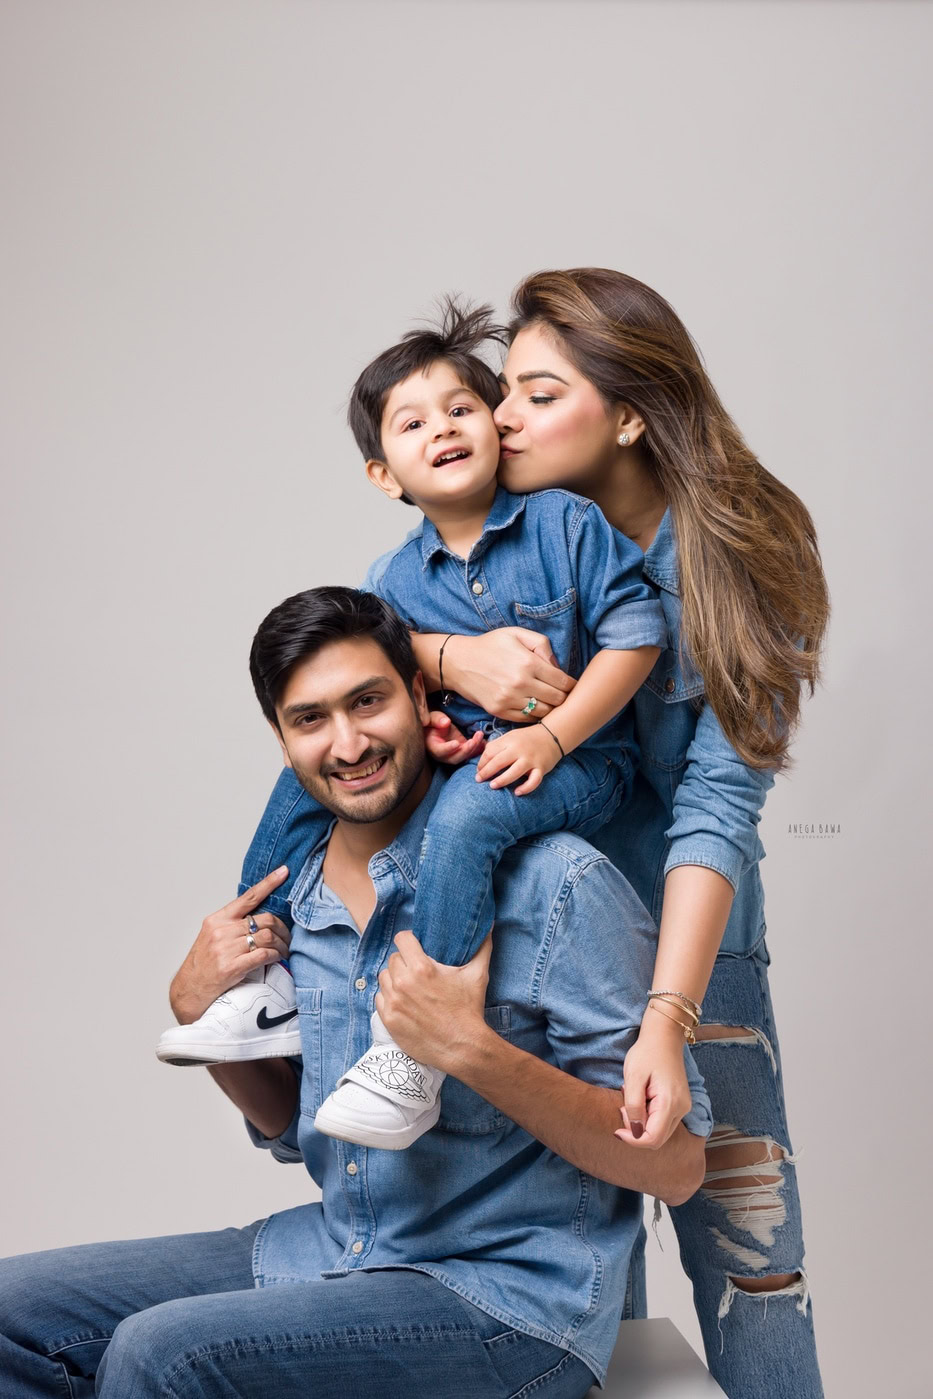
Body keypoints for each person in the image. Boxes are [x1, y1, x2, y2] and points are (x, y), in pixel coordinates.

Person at [237, 270, 829, 1399]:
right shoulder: (506, 535)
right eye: (496, 389)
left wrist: (669, 1016)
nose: (494, 415)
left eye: (530, 394)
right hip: (533, 925)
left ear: (629, 412)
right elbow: (369, 645)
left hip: (693, 958)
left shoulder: (724, 557)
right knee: (588, 1277)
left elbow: (716, 811)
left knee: (752, 1265)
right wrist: (454, 660)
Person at [0, 586, 712, 1398]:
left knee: (163, 1355)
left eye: (367, 701)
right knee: (10, 1311)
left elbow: (677, 1167)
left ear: (419, 696)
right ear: (281, 736)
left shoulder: (555, 883)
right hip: (336, 1248)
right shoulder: (294, 889)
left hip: (509, 1304)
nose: (347, 744)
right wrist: (199, 1013)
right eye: (310, 719)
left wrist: (469, 1052)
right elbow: (294, 1128)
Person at [158, 301, 671, 1156]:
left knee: (465, 817)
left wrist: (551, 736)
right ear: (383, 475)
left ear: (498, 430)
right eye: (412, 421)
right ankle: (264, 978)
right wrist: (440, 730)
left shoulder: (562, 523)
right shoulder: (391, 579)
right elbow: (405, 700)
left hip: (585, 760)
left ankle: (410, 1051)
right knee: (305, 773)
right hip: (478, 762)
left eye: (461, 409)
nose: (442, 428)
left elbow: (637, 637)